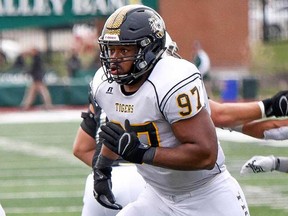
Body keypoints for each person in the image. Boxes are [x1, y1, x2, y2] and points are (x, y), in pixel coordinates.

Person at [73, 4, 288, 216]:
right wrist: (102, 169)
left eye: (124, 49)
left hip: (207, 196)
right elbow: (113, 133)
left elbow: (205, 154)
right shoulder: (105, 84)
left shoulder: (172, 81)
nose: (114, 59)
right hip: (157, 196)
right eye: (111, 49)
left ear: (149, 49)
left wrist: (141, 152)